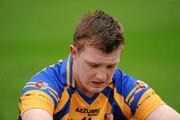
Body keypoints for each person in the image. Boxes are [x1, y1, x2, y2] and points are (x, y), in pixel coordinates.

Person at [18, 10, 180, 120]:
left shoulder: (125, 87)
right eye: (93, 65)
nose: (102, 76)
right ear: (74, 53)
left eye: (111, 66)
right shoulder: (44, 87)